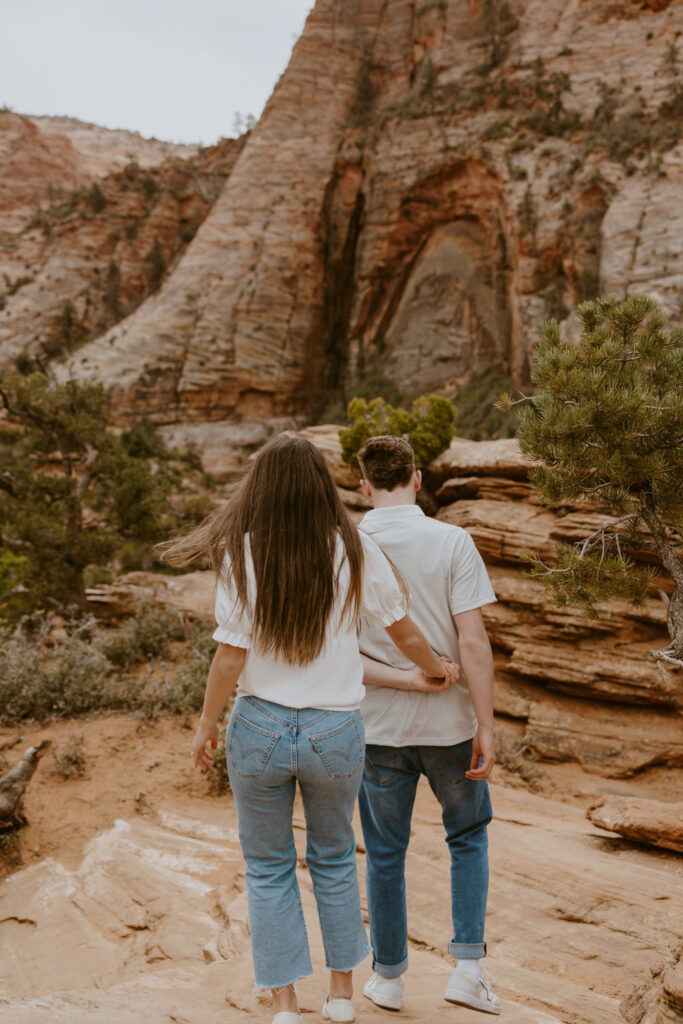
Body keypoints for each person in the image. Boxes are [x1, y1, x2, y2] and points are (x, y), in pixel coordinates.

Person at [163, 434, 458, 1024]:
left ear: (261, 487)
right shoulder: (355, 547)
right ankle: (343, 996)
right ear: (323, 484)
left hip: (260, 727)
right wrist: (433, 671)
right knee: (333, 859)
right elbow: (400, 630)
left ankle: (285, 1002)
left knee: (269, 866)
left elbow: (228, 657)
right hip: (335, 731)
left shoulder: (243, 552)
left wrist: (205, 725)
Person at [355, 434, 501, 1016]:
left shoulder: (347, 546)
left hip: (377, 729)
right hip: (451, 728)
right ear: (417, 479)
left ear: (364, 485)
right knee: (467, 840)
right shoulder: (453, 541)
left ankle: (388, 979)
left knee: (385, 853)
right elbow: (473, 640)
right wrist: (485, 724)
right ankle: (467, 971)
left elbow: (340, 651)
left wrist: (403, 679)